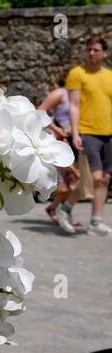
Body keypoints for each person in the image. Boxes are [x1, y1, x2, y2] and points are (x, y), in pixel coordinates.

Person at [67, 36, 112, 236]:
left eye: (96, 50)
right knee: (94, 178)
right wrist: (75, 133)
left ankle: (95, 221)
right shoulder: (77, 74)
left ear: (105, 53)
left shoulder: (110, 76)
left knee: (105, 178)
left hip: (109, 133)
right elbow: (74, 106)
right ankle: (65, 207)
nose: (92, 53)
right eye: (89, 50)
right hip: (88, 131)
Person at [39, 83, 83, 233]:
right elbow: (40, 111)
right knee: (71, 181)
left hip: (77, 144)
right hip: (62, 143)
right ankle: (56, 210)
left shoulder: (83, 94)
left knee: (74, 182)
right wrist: (57, 130)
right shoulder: (61, 93)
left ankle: (59, 210)